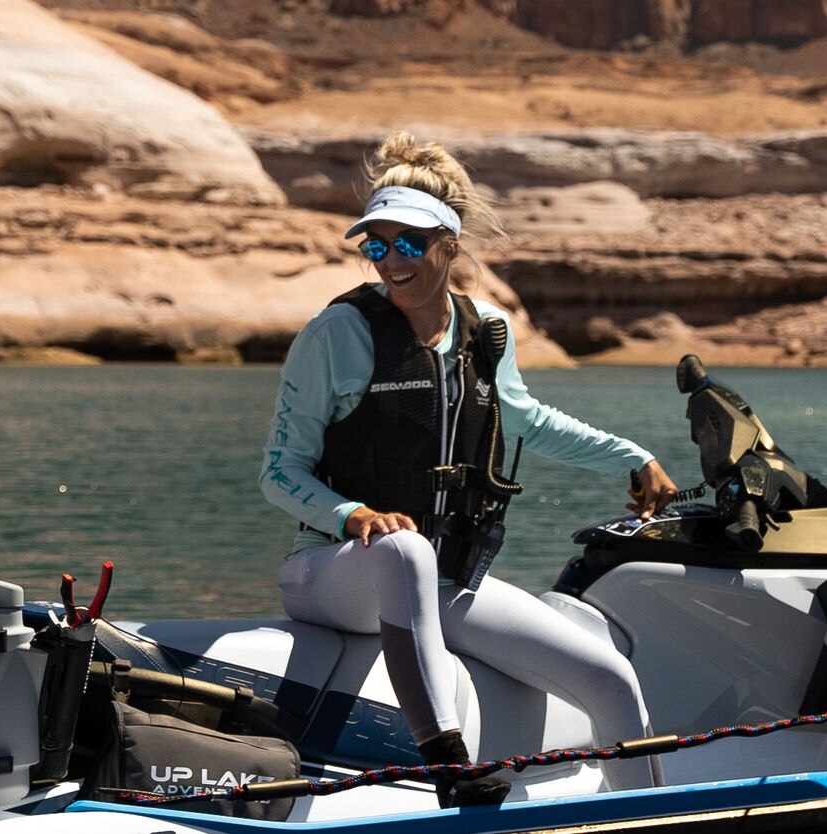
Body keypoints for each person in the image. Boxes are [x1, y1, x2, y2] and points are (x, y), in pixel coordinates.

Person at [259, 132, 678, 808]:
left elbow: (531, 421)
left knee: (610, 679)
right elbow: (279, 473)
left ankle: (644, 821)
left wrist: (633, 456)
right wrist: (353, 515)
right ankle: (448, 768)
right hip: (332, 574)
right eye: (375, 245)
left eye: (408, 245)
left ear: (449, 246)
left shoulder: (484, 331)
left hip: (444, 584)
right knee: (403, 551)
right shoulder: (336, 335)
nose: (390, 262)